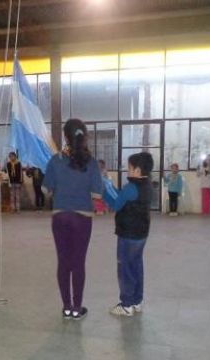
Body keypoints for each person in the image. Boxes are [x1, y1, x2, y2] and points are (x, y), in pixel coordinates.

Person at [43, 118, 103, 320]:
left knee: (63, 262)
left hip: (60, 216)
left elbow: (46, 190)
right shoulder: (91, 162)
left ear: (65, 136)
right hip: (82, 218)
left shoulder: (56, 160)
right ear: (84, 135)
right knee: (78, 262)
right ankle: (77, 308)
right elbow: (97, 194)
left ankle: (66, 307)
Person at [104, 152, 154, 316]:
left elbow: (115, 204)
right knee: (136, 265)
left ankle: (126, 304)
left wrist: (104, 190)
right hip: (141, 233)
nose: (128, 170)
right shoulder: (147, 185)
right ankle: (137, 301)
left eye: (130, 168)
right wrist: (110, 185)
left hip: (128, 233)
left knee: (125, 267)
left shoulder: (131, 187)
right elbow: (123, 196)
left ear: (138, 170)